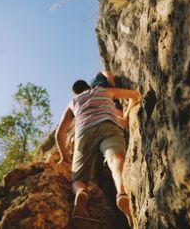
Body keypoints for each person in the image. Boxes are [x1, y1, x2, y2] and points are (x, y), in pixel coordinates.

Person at [55, 79, 139, 226]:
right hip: (108, 124)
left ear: (76, 93)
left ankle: (81, 193)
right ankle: (122, 192)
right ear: (89, 86)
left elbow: (59, 134)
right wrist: (125, 114)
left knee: (78, 178)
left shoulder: (73, 102)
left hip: (84, 132)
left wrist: (64, 157)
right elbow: (135, 95)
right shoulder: (103, 91)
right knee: (115, 158)